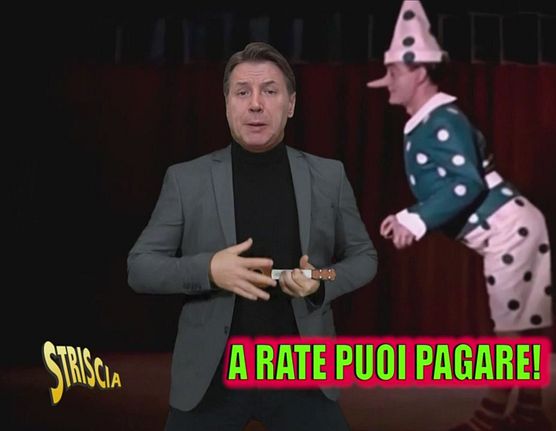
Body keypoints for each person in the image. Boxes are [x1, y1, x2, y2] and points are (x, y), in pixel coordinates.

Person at [127, 41, 377, 431]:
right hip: (211, 379)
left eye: (270, 91)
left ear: (291, 104)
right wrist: (209, 270)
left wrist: (320, 280)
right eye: (242, 92)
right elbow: (140, 268)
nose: (256, 104)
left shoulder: (329, 176)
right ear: (227, 103)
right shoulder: (186, 180)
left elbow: (363, 258)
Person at [367, 2, 553, 430]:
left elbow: (466, 183)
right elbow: (449, 186)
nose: (388, 82)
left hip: (509, 228)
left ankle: (492, 416)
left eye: (393, 72)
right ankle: (529, 412)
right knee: (524, 320)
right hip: (514, 225)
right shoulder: (428, 121)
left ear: (418, 72)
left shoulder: (442, 120)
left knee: (511, 325)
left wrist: (415, 220)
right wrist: (409, 215)